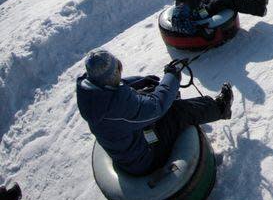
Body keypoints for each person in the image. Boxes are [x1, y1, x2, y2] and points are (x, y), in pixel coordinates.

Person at [76, 49, 233, 176]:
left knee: (152, 93)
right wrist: (172, 75)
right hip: (143, 157)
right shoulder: (116, 106)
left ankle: (173, 96)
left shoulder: (90, 90)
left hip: (128, 141)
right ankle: (221, 108)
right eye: (117, 71)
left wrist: (140, 82)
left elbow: (119, 89)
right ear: (112, 76)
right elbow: (156, 107)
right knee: (175, 111)